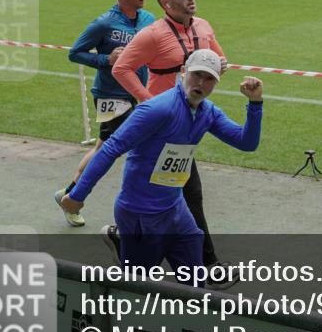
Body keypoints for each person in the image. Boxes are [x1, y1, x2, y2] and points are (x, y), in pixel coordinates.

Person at [59, 50, 262, 286]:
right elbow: (111, 148)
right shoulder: (158, 109)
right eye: (196, 74)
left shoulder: (208, 112)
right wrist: (77, 195)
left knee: (195, 284)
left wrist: (255, 104)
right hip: (140, 215)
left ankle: (190, 321)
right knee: (136, 289)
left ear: (216, 83)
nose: (200, 83)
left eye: (208, 79)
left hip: (176, 210)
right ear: (183, 72)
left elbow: (247, 143)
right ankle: (123, 253)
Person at [110, 0, 228, 275]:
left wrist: (216, 68)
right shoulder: (152, 35)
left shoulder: (203, 26)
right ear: (166, 2)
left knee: (177, 192)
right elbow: (121, 68)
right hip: (159, 126)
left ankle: (129, 244)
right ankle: (205, 264)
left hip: (186, 124)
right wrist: (149, 101)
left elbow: (220, 57)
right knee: (179, 192)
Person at [56, 0, 155, 227]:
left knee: (103, 148)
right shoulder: (104, 23)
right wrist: (106, 59)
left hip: (137, 92)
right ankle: (73, 197)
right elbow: (75, 53)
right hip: (111, 94)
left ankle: (69, 194)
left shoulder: (148, 19)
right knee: (115, 148)